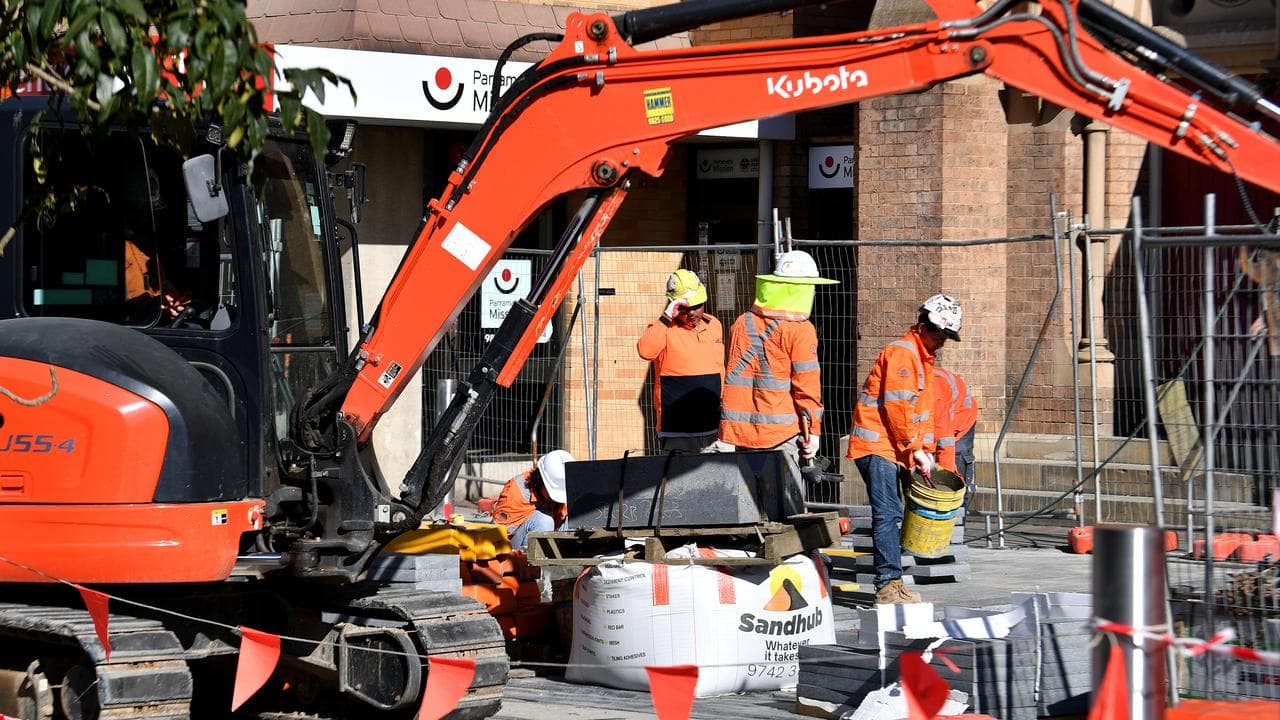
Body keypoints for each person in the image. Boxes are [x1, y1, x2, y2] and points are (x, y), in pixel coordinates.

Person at [846, 294, 962, 604]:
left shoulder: (922, 357)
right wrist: (915, 449)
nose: (943, 342)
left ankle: (894, 581)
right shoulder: (904, 354)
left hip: (894, 447)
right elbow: (897, 408)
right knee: (888, 514)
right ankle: (887, 585)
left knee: (893, 513)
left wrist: (921, 450)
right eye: (941, 334)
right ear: (924, 327)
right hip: (878, 445)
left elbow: (918, 414)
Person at [719, 250, 838, 483]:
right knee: (785, 508)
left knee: (747, 508)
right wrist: (813, 432)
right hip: (779, 436)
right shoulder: (801, 331)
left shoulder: (742, 322)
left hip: (739, 435)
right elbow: (807, 387)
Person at [636, 269, 725, 452]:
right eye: (684, 308)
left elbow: (719, 370)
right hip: (676, 431)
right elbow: (645, 351)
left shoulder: (714, 325)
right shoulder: (663, 329)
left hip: (713, 428)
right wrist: (666, 317)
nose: (691, 312)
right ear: (674, 305)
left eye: (697, 306)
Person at [490, 450, 574, 550]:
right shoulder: (516, 492)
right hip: (512, 548)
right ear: (540, 480)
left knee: (579, 517)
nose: (556, 500)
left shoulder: (563, 486)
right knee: (544, 520)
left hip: (550, 537)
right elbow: (496, 537)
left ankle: (568, 560)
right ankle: (533, 563)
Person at [933, 365, 979, 512]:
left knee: (954, 470)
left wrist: (947, 479)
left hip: (961, 420)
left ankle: (957, 520)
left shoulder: (935, 389)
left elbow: (944, 438)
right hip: (944, 421)